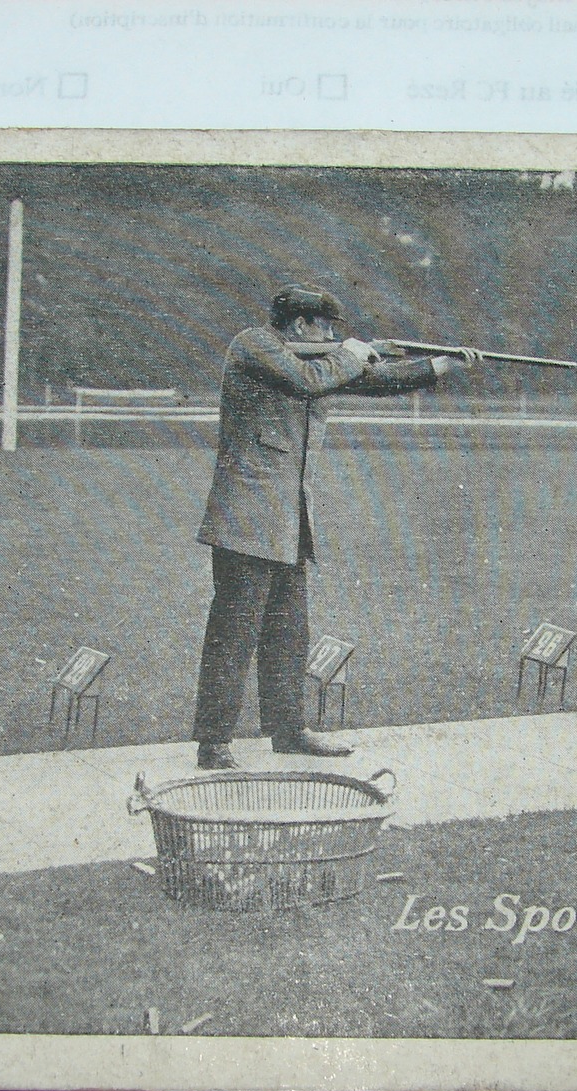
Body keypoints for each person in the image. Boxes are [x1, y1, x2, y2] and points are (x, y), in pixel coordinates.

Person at [192, 284, 477, 770]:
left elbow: (369, 380)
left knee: (289, 633)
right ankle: (214, 742)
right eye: (326, 328)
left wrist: (437, 366)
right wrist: (352, 353)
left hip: (285, 518)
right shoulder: (256, 345)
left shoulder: (320, 362)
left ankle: (288, 731)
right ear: (301, 326)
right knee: (234, 633)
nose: (331, 337)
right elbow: (307, 378)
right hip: (246, 516)